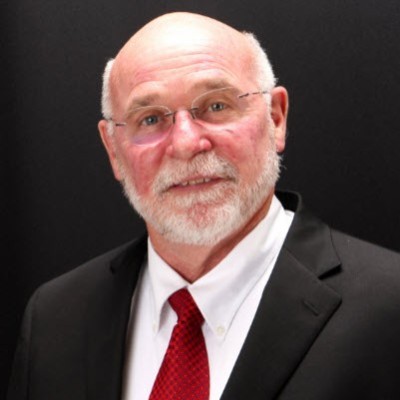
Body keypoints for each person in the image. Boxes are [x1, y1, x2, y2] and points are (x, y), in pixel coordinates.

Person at [7, 11, 400, 400]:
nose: (185, 144)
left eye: (216, 105)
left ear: (276, 118)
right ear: (113, 149)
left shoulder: (389, 308)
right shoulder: (54, 320)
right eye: (150, 119)